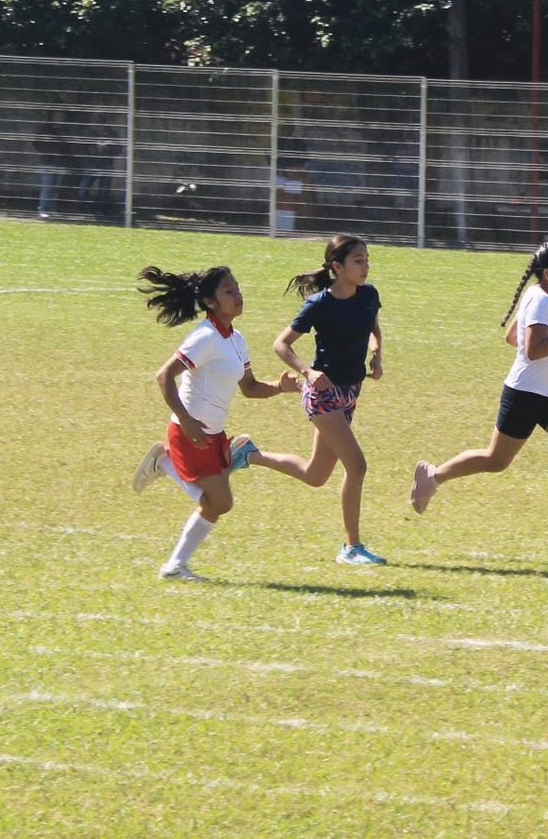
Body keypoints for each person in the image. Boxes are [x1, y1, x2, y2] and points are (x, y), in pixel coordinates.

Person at [409, 241, 548, 551]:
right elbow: (532, 350)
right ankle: (433, 476)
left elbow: (512, 336)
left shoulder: (537, 296)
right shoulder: (541, 301)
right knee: (496, 460)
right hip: (525, 394)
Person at [131, 263, 306, 581]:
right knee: (220, 503)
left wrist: (280, 387)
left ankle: (175, 566)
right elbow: (164, 376)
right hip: (189, 433)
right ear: (211, 302)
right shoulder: (205, 337)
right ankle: (165, 463)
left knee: (217, 505)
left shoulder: (237, 340)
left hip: (212, 433)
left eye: (237, 288)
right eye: (229, 291)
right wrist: (186, 421)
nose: (238, 295)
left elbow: (249, 388)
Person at [261, 235, 389, 566]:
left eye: (367, 259)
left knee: (315, 475)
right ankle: (351, 548)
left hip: (351, 392)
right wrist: (307, 371)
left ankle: (249, 453)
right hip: (323, 395)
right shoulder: (320, 304)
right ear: (337, 267)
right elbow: (281, 344)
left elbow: (372, 328)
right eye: (358, 261)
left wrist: (376, 354)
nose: (365, 266)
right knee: (357, 465)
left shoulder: (369, 295)